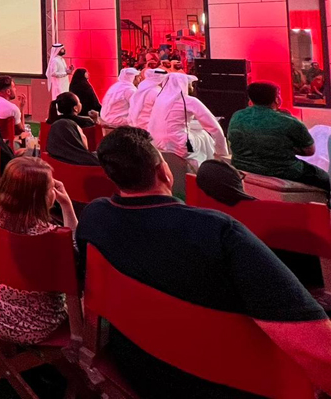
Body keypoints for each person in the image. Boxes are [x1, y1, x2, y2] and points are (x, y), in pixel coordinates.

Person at [77, 127, 331, 398]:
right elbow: (317, 349)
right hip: (228, 385)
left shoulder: (95, 216)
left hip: (135, 366)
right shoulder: (218, 233)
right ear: (164, 171)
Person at [0, 156, 77, 344]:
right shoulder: (51, 237)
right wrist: (67, 206)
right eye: (50, 189)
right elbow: (75, 262)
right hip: (30, 323)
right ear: (39, 198)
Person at [230, 81, 327, 191]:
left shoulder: (237, 116)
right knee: (325, 178)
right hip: (283, 170)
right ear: (276, 99)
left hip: (242, 167)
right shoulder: (288, 121)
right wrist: (284, 147)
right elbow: (310, 151)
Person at [148, 73, 228, 167]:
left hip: (156, 143)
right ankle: (210, 165)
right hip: (179, 145)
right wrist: (222, 150)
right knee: (204, 135)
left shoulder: (160, 100)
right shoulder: (189, 101)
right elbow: (213, 126)